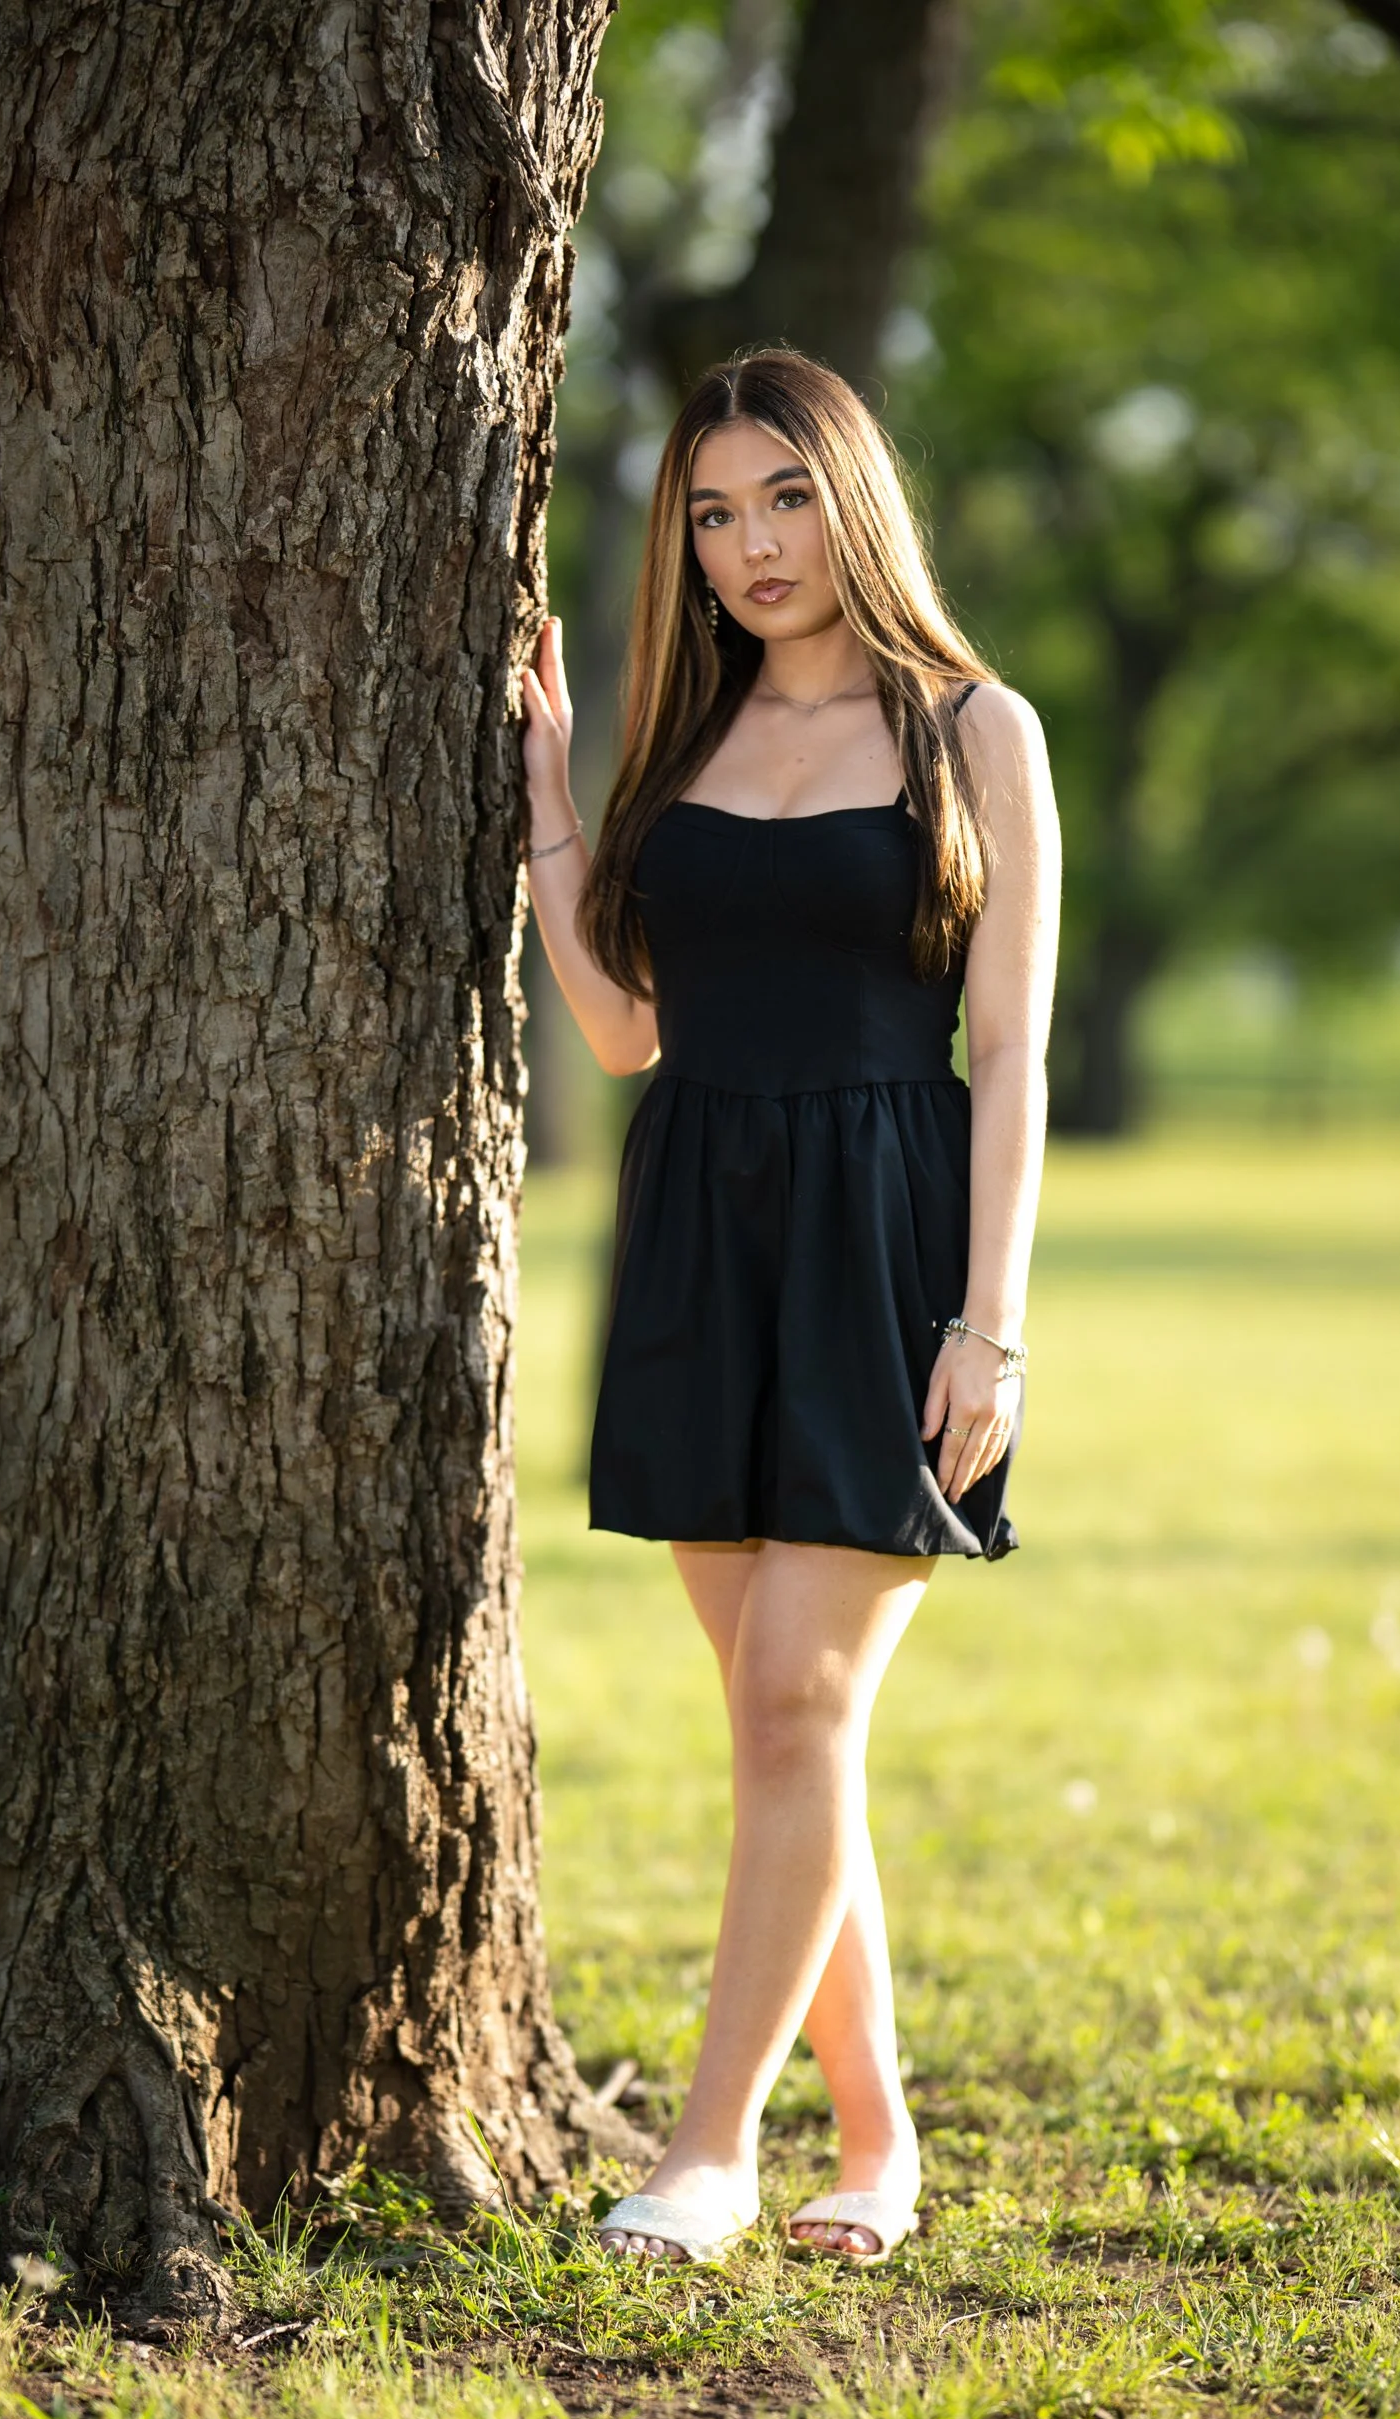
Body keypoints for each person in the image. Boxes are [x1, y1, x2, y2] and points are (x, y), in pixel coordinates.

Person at [520, 349, 1061, 2268]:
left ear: (856, 499)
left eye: (786, 499)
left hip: (888, 1244)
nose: (750, 545)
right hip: (697, 1236)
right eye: (712, 512)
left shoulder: (972, 727)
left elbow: (1005, 1048)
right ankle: (881, 2136)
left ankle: (708, 2150)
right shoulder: (685, 741)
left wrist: (985, 1324)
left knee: (796, 1697)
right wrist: (547, 808)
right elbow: (623, 1025)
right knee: (785, 1734)